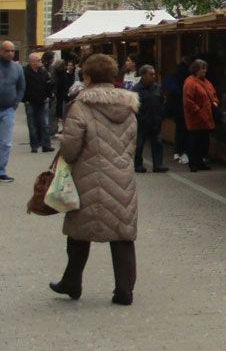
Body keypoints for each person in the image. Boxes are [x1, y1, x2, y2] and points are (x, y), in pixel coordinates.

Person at [48, 53, 139, 305]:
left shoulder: (81, 105)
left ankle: (72, 281)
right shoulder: (129, 105)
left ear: (87, 77)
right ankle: (124, 290)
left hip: (87, 176)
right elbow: (132, 142)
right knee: (122, 234)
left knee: (79, 233)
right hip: (122, 176)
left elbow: (70, 148)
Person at [182, 58, 217, 172]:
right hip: (195, 118)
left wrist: (216, 101)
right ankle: (193, 164)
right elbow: (188, 100)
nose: (204, 71)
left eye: (205, 69)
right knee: (194, 142)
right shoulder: (190, 82)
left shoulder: (206, 82)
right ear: (196, 69)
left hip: (206, 117)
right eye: (202, 69)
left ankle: (201, 162)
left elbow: (213, 94)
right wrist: (198, 110)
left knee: (203, 142)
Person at [132, 65, 167, 174]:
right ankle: (138, 165)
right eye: (151, 74)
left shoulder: (157, 87)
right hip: (141, 122)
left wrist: (161, 115)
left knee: (157, 143)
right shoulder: (136, 89)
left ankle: (158, 165)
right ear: (143, 75)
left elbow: (161, 101)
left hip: (155, 120)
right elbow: (134, 106)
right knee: (139, 145)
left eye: (154, 74)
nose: (154, 76)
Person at [0, 41, 23, 184]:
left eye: (12, 51)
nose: (10, 54)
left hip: (8, 109)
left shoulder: (17, 68)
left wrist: (15, 103)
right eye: (7, 51)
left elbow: (21, 87)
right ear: (1, 51)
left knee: (6, 143)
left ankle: (1, 171)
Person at [22, 52, 54, 153]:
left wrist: (49, 95)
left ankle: (46, 145)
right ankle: (34, 145)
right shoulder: (25, 72)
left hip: (43, 101)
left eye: (40, 60)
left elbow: (48, 84)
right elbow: (21, 87)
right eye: (38, 60)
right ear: (32, 62)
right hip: (30, 102)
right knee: (32, 124)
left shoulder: (43, 71)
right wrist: (24, 100)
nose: (41, 62)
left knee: (44, 124)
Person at [163, 59, 190, 164]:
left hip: (175, 107)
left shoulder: (172, 77)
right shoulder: (186, 78)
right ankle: (182, 151)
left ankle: (177, 151)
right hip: (182, 107)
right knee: (184, 130)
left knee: (179, 129)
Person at [53, 55, 76, 134]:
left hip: (65, 96)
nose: (69, 67)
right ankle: (64, 129)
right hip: (64, 96)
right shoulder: (64, 75)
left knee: (65, 114)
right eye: (68, 65)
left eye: (71, 65)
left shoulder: (58, 74)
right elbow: (64, 86)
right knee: (64, 113)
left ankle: (64, 129)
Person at [43, 51, 58, 137]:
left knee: (50, 113)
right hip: (49, 94)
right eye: (52, 57)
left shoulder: (49, 68)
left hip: (50, 94)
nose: (53, 59)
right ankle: (49, 130)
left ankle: (50, 130)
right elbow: (52, 81)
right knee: (49, 113)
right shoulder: (49, 69)